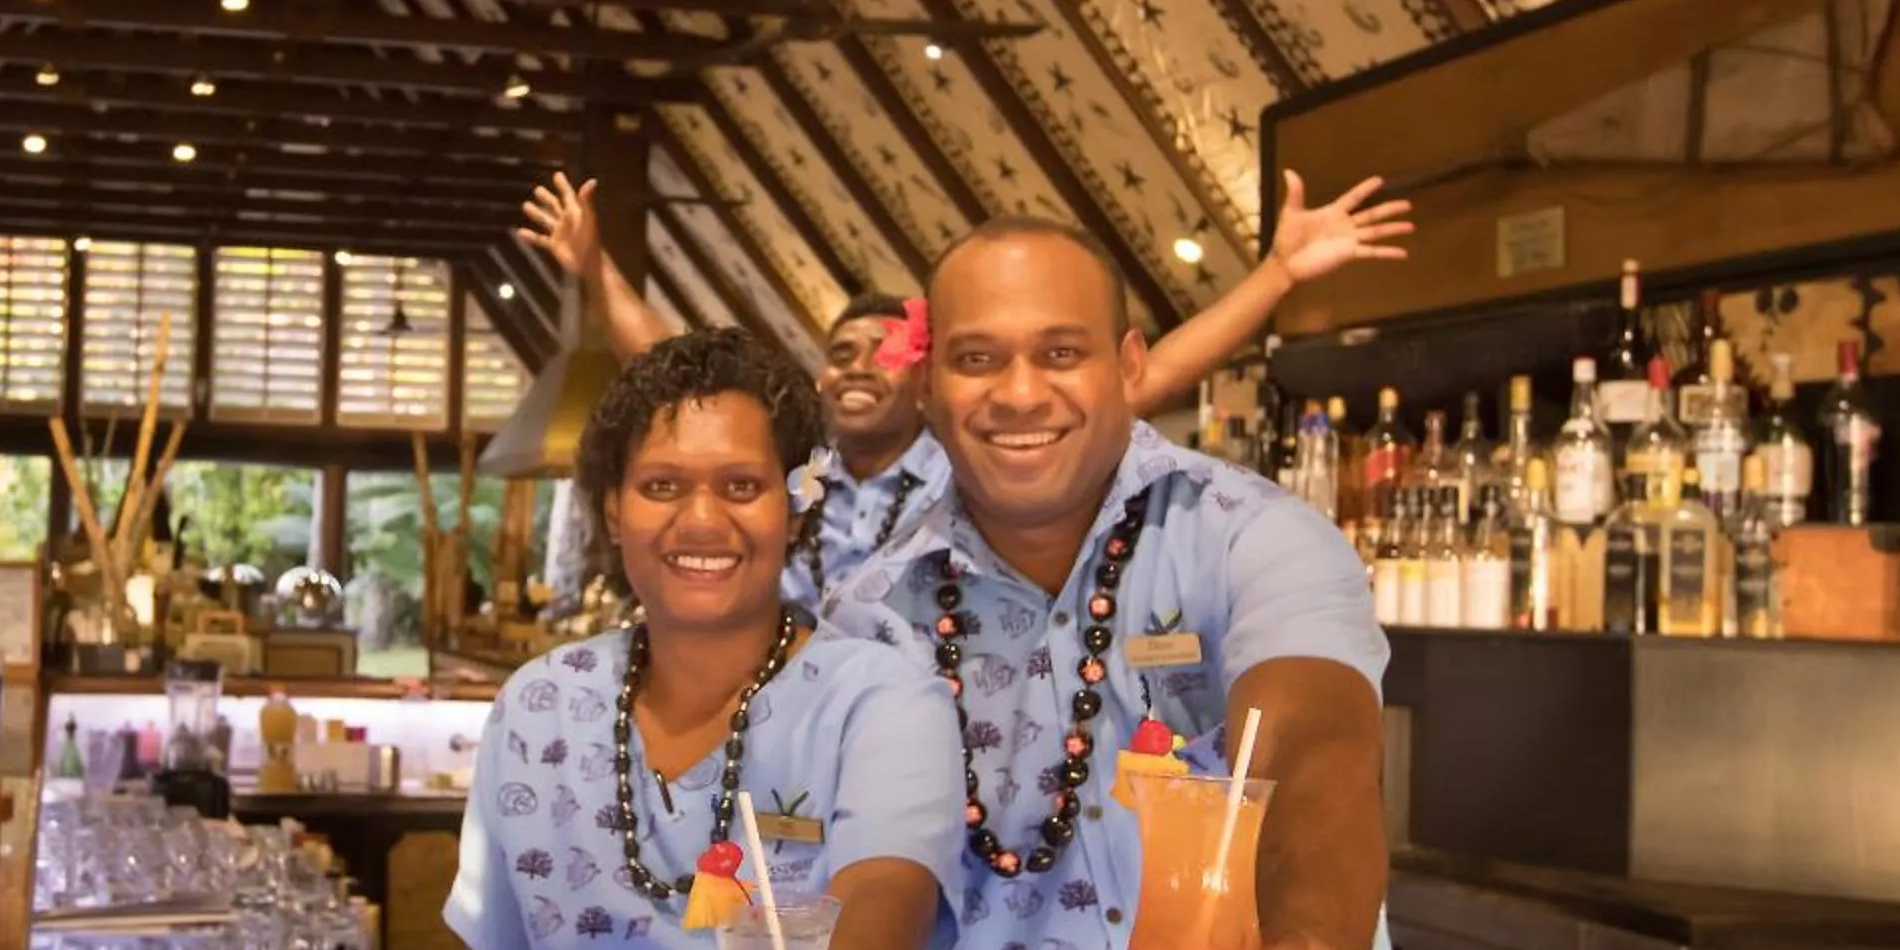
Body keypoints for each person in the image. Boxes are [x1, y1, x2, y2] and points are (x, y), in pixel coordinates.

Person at [817, 218, 1429, 950]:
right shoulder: (872, 617)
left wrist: (1317, 941)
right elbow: (883, 868)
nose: (1021, 392)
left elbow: (1315, 745)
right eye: (979, 358)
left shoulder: (1252, 536)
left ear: (1130, 363)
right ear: (929, 385)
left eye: (1061, 352)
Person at [443, 329, 987, 950]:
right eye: (662, 486)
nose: (702, 521)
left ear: (795, 503)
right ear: (612, 507)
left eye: (742, 486)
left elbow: (887, 895)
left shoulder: (879, 698)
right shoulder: (537, 707)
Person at [517, 170, 1412, 608]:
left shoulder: (970, 459)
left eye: (882, 350)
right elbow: (684, 373)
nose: (857, 366)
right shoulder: (801, 468)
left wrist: (1278, 275)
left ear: (932, 381)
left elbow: (1148, 377)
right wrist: (596, 273)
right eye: (839, 352)